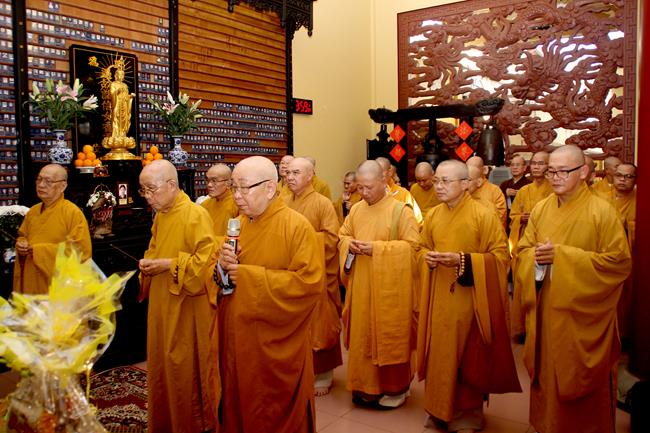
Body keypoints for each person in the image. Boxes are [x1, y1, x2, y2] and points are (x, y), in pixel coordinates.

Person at [515, 145, 631, 433]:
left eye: (562, 171)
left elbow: (618, 264)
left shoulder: (603, 212)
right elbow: (522, 251)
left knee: (580, 379)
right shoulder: (541, 208)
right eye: (551, 171)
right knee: (548, 374)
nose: (554, 177)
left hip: (584, 317)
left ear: (583, 172)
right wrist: (536, 259)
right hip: (546, 310)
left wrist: (563, 258)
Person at [210, 156, 323, 433]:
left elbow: (309, 284)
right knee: (238, 401)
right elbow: (220, 279)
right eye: (234, 187)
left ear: (270, 188)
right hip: (238, 338)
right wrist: (222, 267)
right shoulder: (238, 225)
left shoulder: (296, 227)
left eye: (244, 188)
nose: (237, 196)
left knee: (269, 408)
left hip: (275, 344)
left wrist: (249, 278)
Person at [418, 160, 520, 433]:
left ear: (465, 184)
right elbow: (420, 247)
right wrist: (426, 257)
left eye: (445, 181)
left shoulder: (483, 215)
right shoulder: (433, 215)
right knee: (439, 356)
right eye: (437, 181)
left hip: (471, 301)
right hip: (439, 297)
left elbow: (501, 257)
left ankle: (467, 415)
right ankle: (437, 410)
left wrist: (463, 261)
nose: (439, 186)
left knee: (468, 358)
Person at [138, 160, 218, 433]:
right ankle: (166, 420)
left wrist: (168, 265)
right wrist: (149, 263)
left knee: (184, 366)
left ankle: (194, 422)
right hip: (162, 299)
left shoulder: (195, 215)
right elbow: (154, 249)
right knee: (162, 362)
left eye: (151, 189)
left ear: (172, 185)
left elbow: (205, 265)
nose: (147, 196)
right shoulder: (161, 216)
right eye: (143, 190)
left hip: (188, 304)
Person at [338, 160, 420, 409]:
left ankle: (395, 389)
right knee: (362, 336)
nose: (363, 193)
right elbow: (343, 235)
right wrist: (349, 244)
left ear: (384, 181)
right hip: (361, 287)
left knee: (389, 336)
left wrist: (377, 249)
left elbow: (413, 248)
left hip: (389, 291)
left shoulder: (401, 211)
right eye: (359, 187)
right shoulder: (356, 210)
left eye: (368, 187)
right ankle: (364, 386)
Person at [285, 157, 342, 396]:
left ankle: (323, 374)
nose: (289, 177)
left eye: (296, 173)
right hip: (291, 272)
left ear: (310, 176)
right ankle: (298, 371)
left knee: (320, 322)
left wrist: (304, 246)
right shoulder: (284, 201)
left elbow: (331, 238)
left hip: (317, 272)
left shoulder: (322, 203)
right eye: (288, 173)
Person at [14, 164, 91, 294]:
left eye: (48, 181)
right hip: (32, 282)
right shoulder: (33, 211)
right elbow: (23, 236)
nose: (41, 185)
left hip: (58, 289)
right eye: (39, 179)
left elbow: (80, 252)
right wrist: (21, 244)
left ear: (63, 186)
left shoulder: (72, 213)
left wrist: (39, 251)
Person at [508, 151, 553, 339]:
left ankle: (543, 329)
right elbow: (512, 216)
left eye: (541, 163)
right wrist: (521, 218)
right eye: (534, 163)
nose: (536, 167)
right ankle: (523, 328)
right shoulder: (524, 191)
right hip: (525, 242)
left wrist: (536, 218)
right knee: (523, 283)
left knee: (545, 289)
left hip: (545, 242)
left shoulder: (554, 189)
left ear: (549, 167)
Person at [375, 156, 423, 224]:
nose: (377, 176)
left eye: (381, 172)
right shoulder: (370, 193)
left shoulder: (403, 194)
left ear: (390, 172)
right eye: (374, 172)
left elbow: (417, 220)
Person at [201, 163, 239, 243]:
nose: (209, 185)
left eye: (214, 181)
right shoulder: (204, 205)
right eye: (207, 180)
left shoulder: (237, 204)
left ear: (228, 183)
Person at [466, 156, 507, 226]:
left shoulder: (495, 191)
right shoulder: (461, 188)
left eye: (474, 168)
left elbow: (500, 217)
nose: (470, 171)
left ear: (484, 170)